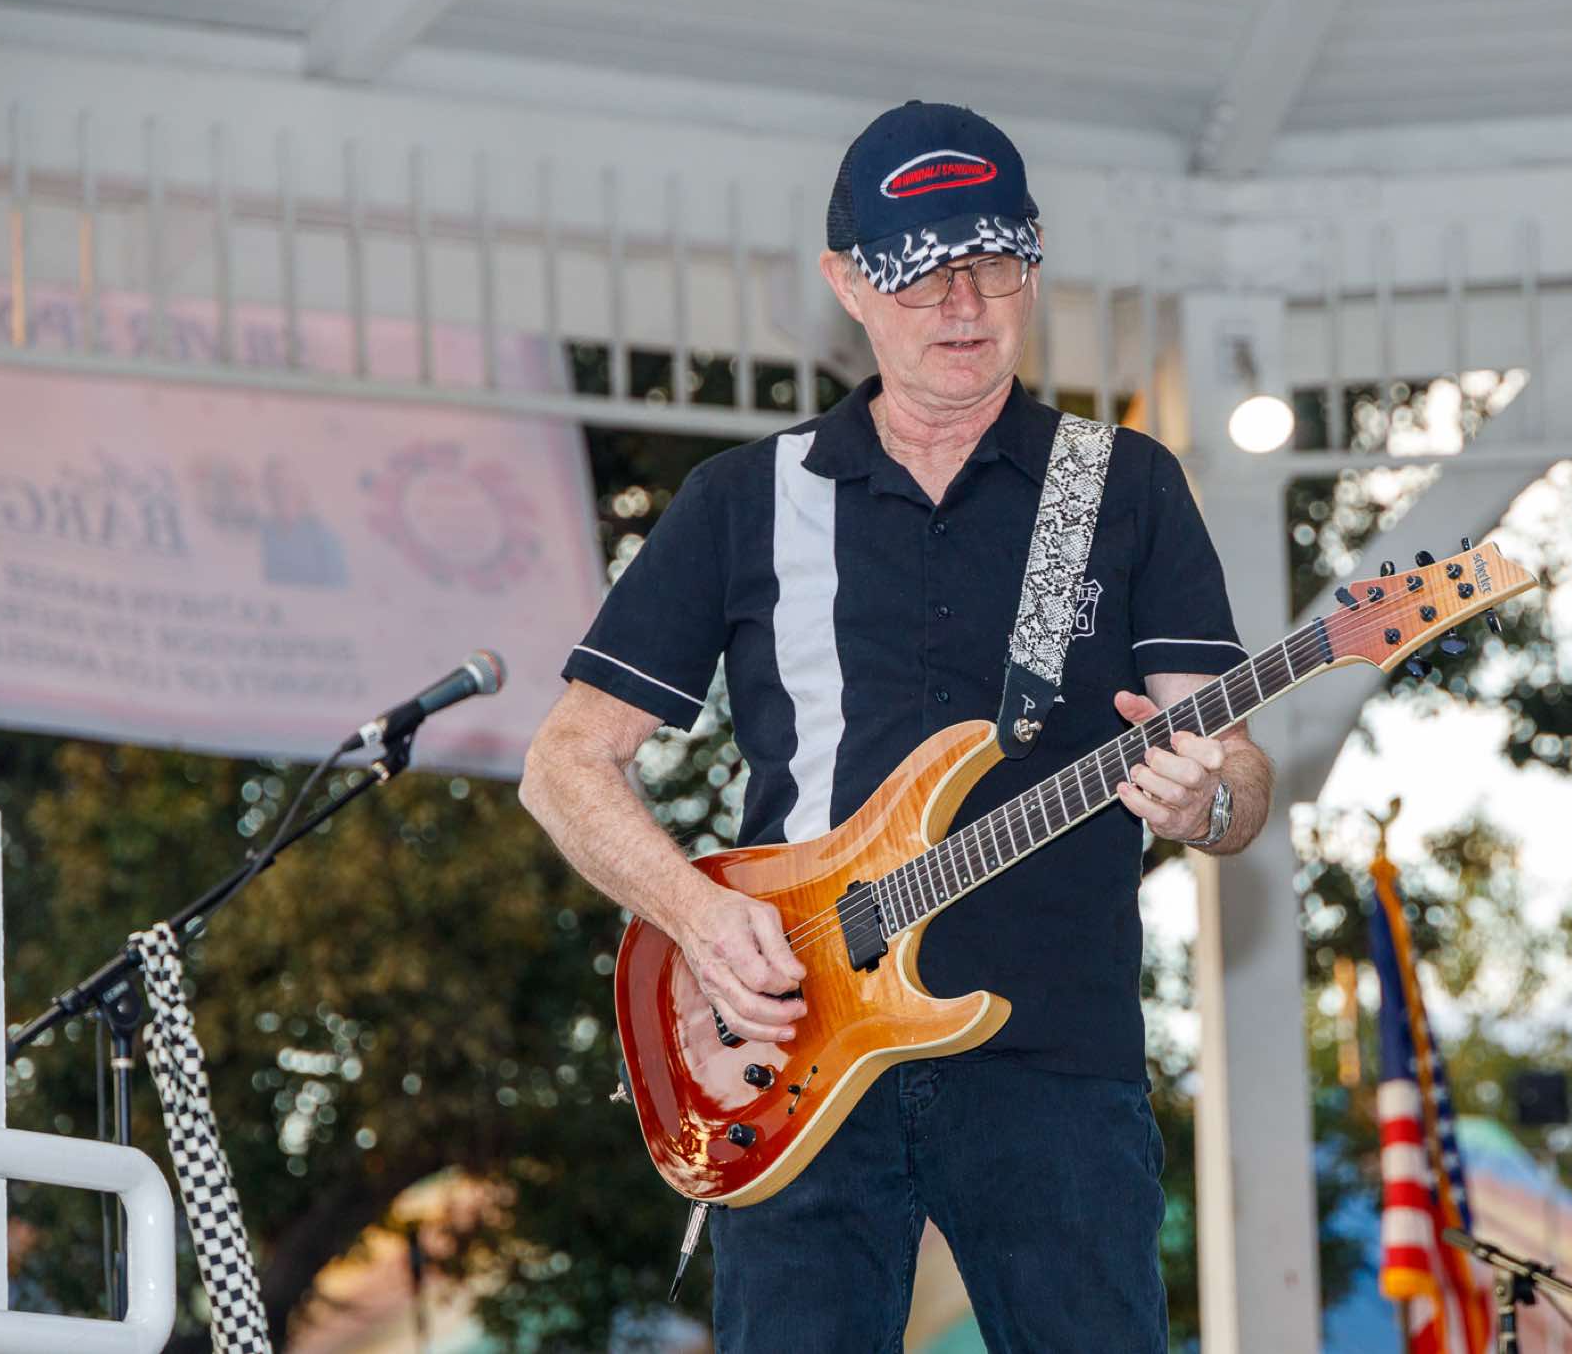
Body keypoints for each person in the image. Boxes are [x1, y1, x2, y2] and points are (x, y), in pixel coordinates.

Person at [520, 101, 1273, 1352]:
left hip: (1052, 1056)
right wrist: (695, 917)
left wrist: (1213, 800)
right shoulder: (743, 499)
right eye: (920, 272)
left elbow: (1230, 764)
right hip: (794, 1046)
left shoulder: (1123, 484)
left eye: (992, 264)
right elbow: (564, 762)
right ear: (847, 285)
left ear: (1033, 268)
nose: (961, 303)